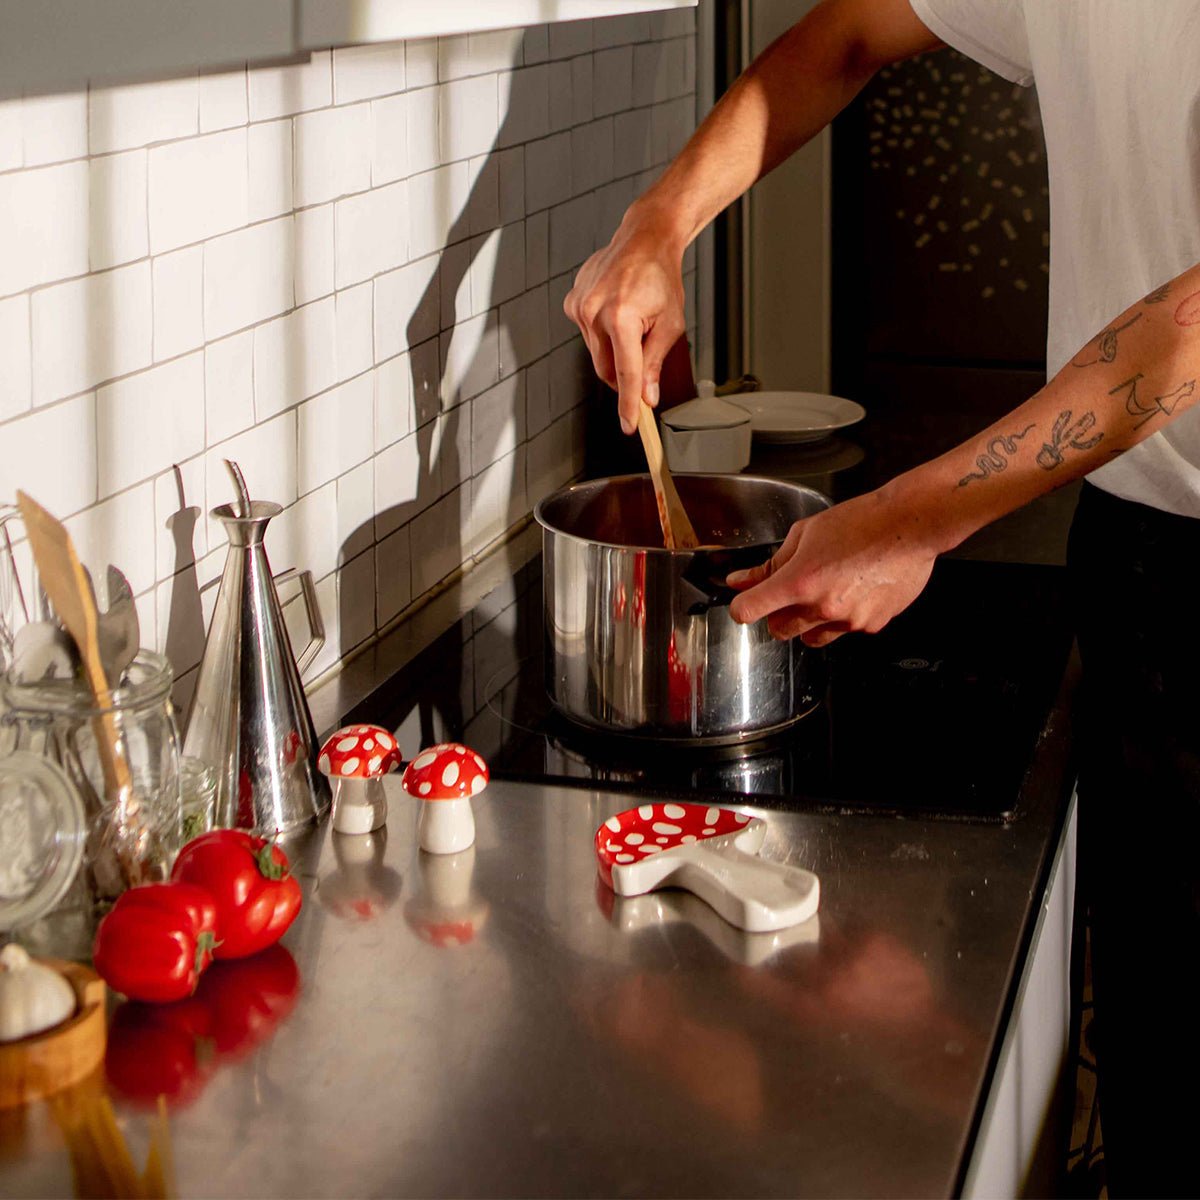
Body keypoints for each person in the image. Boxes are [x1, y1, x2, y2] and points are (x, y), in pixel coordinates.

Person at [564, 1, 1200, 1194]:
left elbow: (1187, 334)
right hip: (1137, 545)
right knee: (1164, 1044)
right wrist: (659, 221)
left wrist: (912, 520)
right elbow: (849, 34)